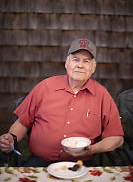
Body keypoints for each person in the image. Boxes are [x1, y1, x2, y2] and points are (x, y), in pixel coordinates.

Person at [0, 38, 124, 167]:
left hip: (82, 164)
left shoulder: (102, 95)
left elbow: (117, 138)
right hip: (40, 162)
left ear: (93, 67)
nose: (80, 65)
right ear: (67, 63)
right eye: (75, 59)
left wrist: (92, 149)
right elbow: (22, 122)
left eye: (86, 61)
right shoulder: (45, 87)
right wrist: (12, 138)